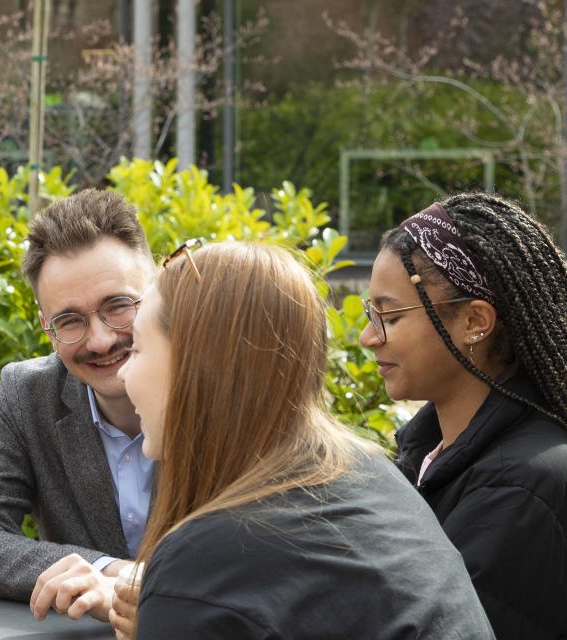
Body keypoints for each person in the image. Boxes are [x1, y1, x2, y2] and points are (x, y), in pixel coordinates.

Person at [360, 194, 567, 639]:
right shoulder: (435, 447)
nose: (368, 336)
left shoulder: (523, 488)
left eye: (388, 316)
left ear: (474, 322)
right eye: (371, 314)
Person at [113, 241, 491, 638]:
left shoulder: (203, 568)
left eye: (135, 348)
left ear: (197, 366)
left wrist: (172, 611)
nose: (123, 374)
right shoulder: (371, 473)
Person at [0, 190, 155, 624]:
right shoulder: (27, 394)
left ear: (157, 290)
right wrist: (109, 571)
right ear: (45, 327)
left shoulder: (223, 387)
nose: (100, 340)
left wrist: (152, 586)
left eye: (118, 306)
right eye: (70, 320)